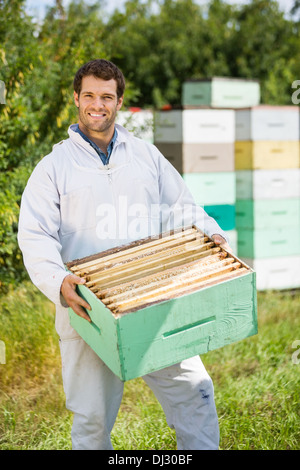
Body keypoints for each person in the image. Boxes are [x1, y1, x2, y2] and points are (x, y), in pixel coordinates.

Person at [18, 59, 232, 450]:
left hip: (154, 300)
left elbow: (182, 208)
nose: (97, 105)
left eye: (106, 97)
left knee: (196, 393)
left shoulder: (146, 156)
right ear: (76, 98)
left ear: (119, 101)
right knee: (92, 422)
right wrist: (58, 280)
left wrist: (211, 236)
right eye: (89, 96)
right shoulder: (52, 168)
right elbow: (35, 235)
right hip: (88, 307)